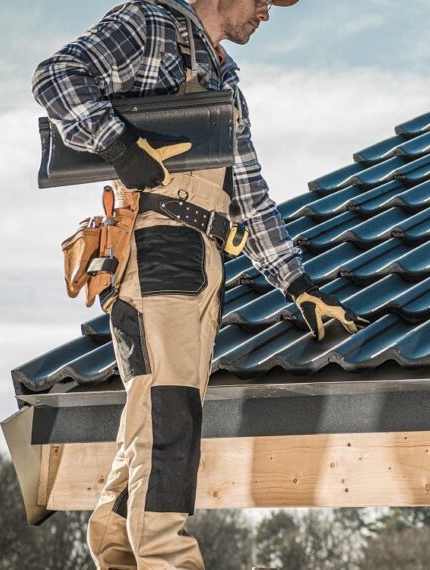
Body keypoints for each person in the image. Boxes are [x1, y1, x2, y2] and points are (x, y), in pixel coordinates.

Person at [32, 1, 365, 567]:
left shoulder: (225, 81)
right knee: (171, 411)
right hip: (159, 250)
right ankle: (168, 557)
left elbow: (250, 196)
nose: (267, 11)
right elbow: (57, 76)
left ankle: (117, 547)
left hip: (203, 259)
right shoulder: (152, 23)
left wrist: (297, 283)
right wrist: (117, 144)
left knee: (153, 415)